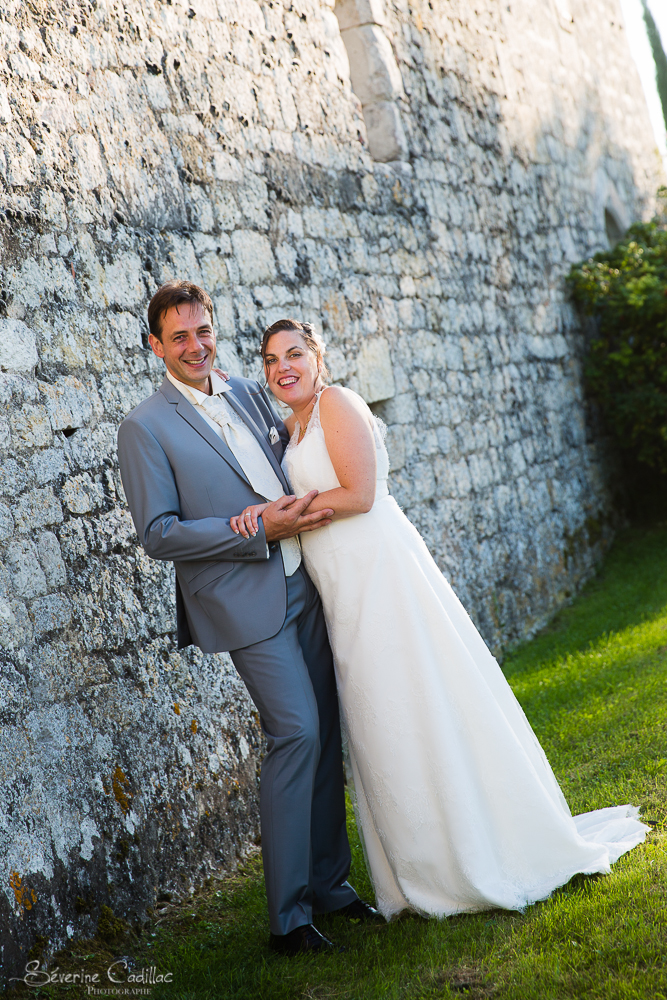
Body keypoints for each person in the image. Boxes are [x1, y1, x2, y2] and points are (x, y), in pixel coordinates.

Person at [231, 317, 649, 920]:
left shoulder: (337, 403)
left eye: (294, 354)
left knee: (417, 696)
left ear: (317, 357)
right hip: (342, 587)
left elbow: (361, 494)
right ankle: (419, 865)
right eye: (271, 360)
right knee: (381, 714)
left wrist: (284, 511)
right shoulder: (291, 427)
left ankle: (466, 854)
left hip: (379, 574)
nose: (282, 368)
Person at [117, 282, 383, 956]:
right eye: (179, 337)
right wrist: (254, 528)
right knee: (295, 731)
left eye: (203, 331)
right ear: (156, 347)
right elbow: (158, 533)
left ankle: (331, 886)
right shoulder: (144, 426)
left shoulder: (243, 390)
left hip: (304, 581)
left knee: (324, 731)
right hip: (242, 597)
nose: (195, 345)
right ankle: (288, 918)